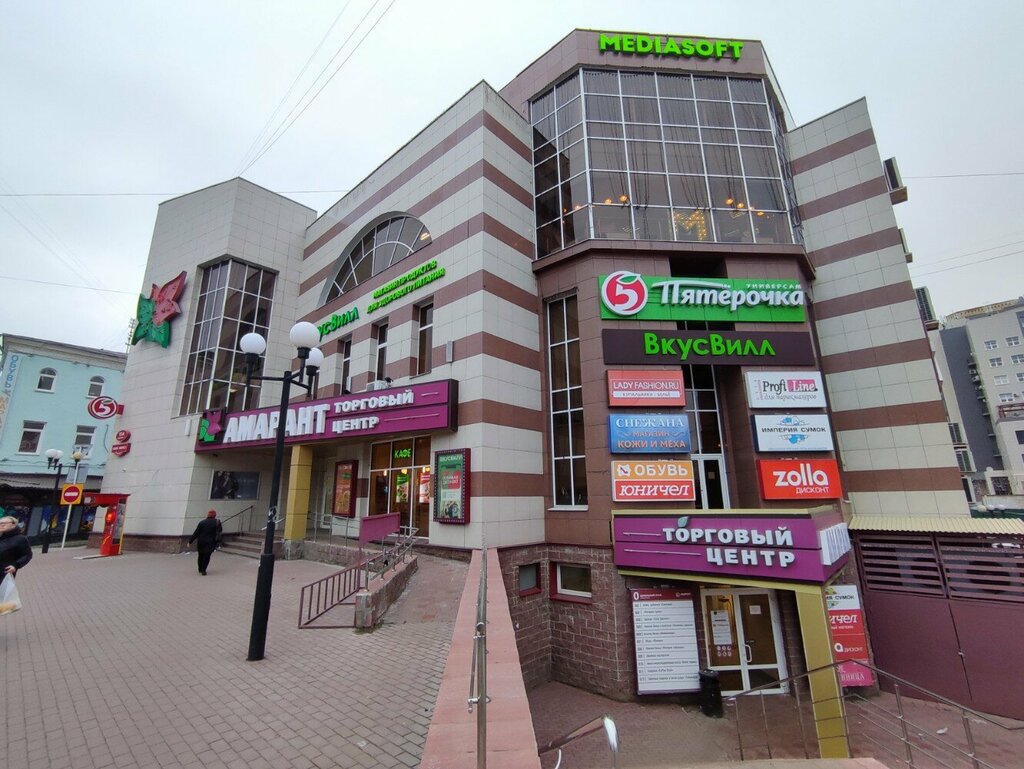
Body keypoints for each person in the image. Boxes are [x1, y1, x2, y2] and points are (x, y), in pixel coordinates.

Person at [187, 510, 223, 575]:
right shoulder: (217, 522)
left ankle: (200, 568)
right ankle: (203, 570)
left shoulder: (202, 522)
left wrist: (190, 541)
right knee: (207, 556)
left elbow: (196, 533)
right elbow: (220, 531)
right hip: (210, 542)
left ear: (208, 515)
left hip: (201, 541)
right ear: (215, 515)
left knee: (200, 555)